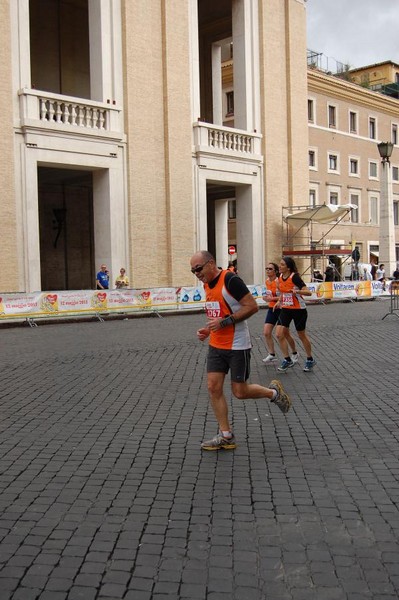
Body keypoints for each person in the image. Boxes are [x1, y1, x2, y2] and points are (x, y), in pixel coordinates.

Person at [190, 250, 291, 451]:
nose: (196, 273)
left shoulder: (230, 279)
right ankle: (226, 435)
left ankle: (273, 393)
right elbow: (219, 315)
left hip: (237, 345)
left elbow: (252, 306)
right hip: (216, 345)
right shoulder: (206, 285)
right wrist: (208, 330)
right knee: (213, 387)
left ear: (211, 264)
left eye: (199, 268)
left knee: (240, 391)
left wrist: (225, 322)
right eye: (193, 270)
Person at [274, 256, 316, 372]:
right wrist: (279, 301)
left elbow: (308, 292)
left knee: (301, 335)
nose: (279, 266)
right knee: (279, 334)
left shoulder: (295, 277)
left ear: (288, 267)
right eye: (280, 264)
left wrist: (297, 291)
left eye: (282, 264)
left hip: (299, 310)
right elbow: (283, 292)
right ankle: (287, 359)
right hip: (286, 309)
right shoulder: (280, 278)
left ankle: (310, 359)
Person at [262, 262, 299, 364]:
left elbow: (284, 295)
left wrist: (273, 298)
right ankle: (272, 354)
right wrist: (266, 298)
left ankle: (294, 352)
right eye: (266, 268)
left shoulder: (279, 281)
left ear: (275, 271)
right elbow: (267, 295)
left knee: (285, 333)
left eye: (270, 269)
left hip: (282, 308)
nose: (268, 271)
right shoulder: (267, 281)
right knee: (266, 332)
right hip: (271, 308)